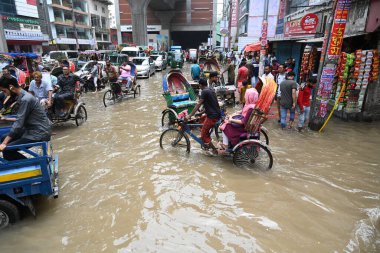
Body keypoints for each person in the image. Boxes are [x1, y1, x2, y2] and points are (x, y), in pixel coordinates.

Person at [0, 77, 51, 161]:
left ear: (11, 87)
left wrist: (4, 143)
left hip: (39, 132)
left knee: (7, 149)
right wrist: (5, 119)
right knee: (4, 137)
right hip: (32, 129)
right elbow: (21, 118)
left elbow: (19, 123)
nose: (5, 94)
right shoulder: (22, 96)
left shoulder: (25, 99)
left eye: (4, 91)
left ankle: (30, 165)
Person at [185, 78, 221, 155]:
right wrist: (200, 113)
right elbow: (212, 105)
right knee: (201, 120)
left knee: (203, 135)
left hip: (212, 116)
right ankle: (205, 136)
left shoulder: (204, 91)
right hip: (216, 114)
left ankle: (214, 150)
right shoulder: (210, 90)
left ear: (200, 85)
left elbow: (198, 104)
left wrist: (190, 115)